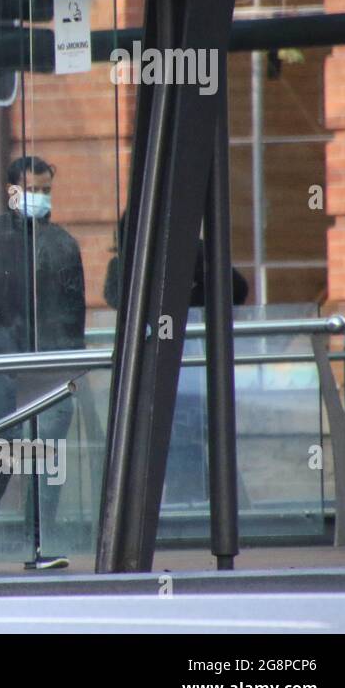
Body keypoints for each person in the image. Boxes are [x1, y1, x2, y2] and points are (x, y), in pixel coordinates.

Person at [0, 155, 84, 569]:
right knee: (1, 454)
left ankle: (40, 544)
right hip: (1, 367)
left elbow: (74, 313)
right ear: (11, 191)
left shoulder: (63, 245)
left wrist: (69, 369)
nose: (40, 197)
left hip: (50, 370)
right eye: (32, 189)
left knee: (48, 460)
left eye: (46, 190)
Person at [102, 212, 249, 505]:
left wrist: (187, 307)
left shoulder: (189, 254)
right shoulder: (125, 264)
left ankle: (191, 504)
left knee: (182, 442)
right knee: (165, 442)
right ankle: (181, 505)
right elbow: (116, 298)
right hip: (154, 365)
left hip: (181, 365)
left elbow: (236, 288)